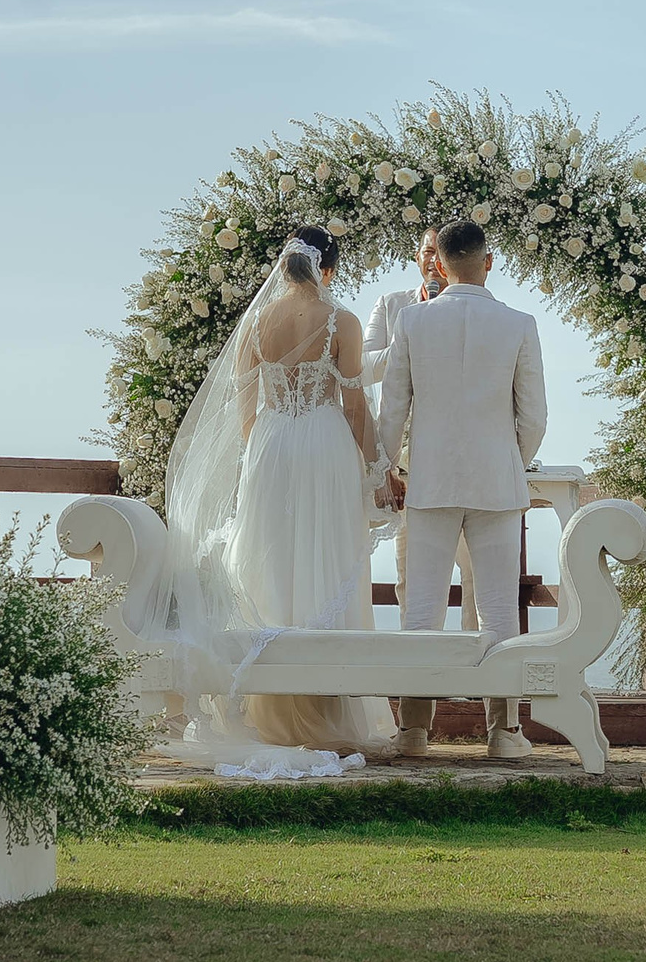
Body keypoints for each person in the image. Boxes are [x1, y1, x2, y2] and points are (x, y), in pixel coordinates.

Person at [138, 224, 400, 772]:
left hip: (271, 445)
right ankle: (327, 706)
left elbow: (244, 406)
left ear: (285, 267)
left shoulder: (256, 324)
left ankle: (266, 707)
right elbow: (355, 406)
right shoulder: (343, 321)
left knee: (271, 564)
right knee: (325, 561)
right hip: (325, 447)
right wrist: (379, 469)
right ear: (329, 269)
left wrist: (262, 455)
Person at [376, 217, 548, 761]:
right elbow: (534, 417)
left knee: (421, 610)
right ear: (488, 262)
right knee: (499, 611)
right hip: (496, 482)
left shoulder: (412, 320)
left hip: (429, 481)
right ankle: (504, 731)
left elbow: (392, 411)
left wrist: (389, 469)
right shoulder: (519, 323)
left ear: (441, 264)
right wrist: (511, 461)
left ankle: (413, 731)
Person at [364, 226, 481, 637]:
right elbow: (362, 368)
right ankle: (417, 664)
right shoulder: (392, 305)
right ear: (417, 257)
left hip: (465, 462)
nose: (433, 260)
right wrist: (412, 336)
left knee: (475, 573)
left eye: (439, 253)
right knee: (411, 576)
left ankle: (474, 664)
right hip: (408, 467)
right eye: (426, 251)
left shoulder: (477, 310)